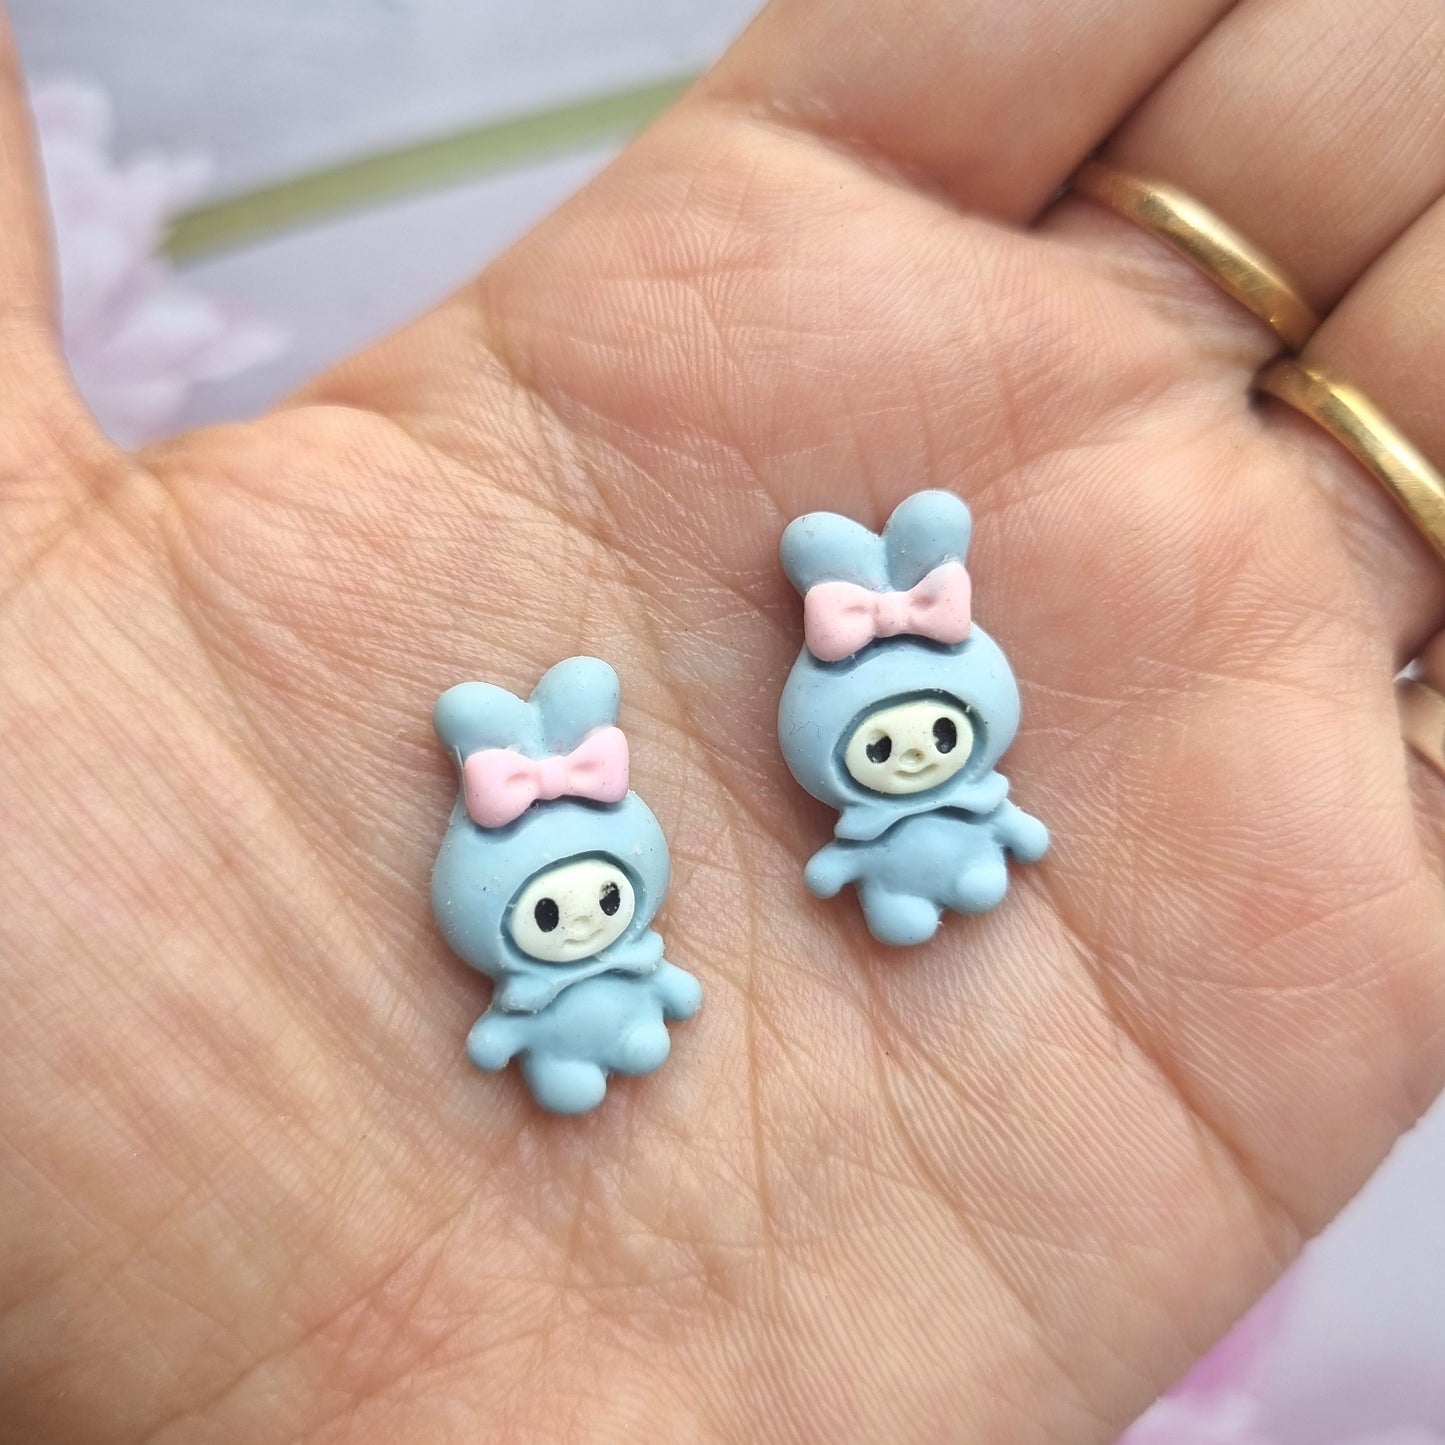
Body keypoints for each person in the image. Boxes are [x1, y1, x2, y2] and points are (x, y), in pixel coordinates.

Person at [2, 0, 1442, 1439]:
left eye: (923, 734)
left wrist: (923, 833)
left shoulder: (888, 738)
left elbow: (910, 822)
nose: (913, 747)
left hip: (920, 864)